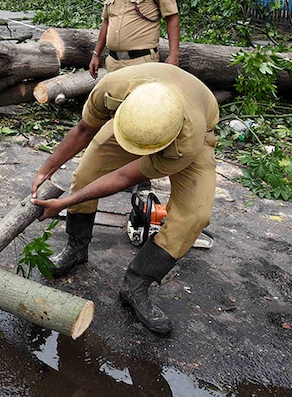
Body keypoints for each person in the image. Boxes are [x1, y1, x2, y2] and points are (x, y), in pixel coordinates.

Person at [30, 63, 219, 335]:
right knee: (86, 174)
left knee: (194, 216)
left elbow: (122, 178)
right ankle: (76, 247)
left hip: (195, 134)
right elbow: (84, 129)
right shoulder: (113, 88)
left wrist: (63, 203)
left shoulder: (184, 143)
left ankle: (137, 283)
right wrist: (45, 170)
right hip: (136, 121)